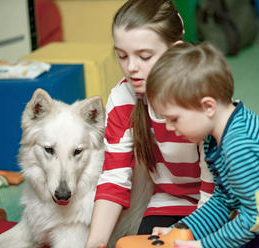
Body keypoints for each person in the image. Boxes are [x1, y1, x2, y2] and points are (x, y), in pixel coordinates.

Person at [146, 42, 259, 248]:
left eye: (174, 118)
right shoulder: (219, 132)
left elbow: (256, 218)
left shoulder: (238, 147)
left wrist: (203, 245)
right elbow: (224, 201)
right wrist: (182, 229)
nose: (169, 127)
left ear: (208, 106)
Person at [85, 1, 214, 247]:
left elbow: (214, 188)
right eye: (121, 56)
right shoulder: (122, 99)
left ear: (174, 51)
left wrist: (188, 233)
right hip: (167, 201)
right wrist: (96, 242)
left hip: (217, 204)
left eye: (144, 56)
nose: (131, 68)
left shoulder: (202, 97)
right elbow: (113, 178)